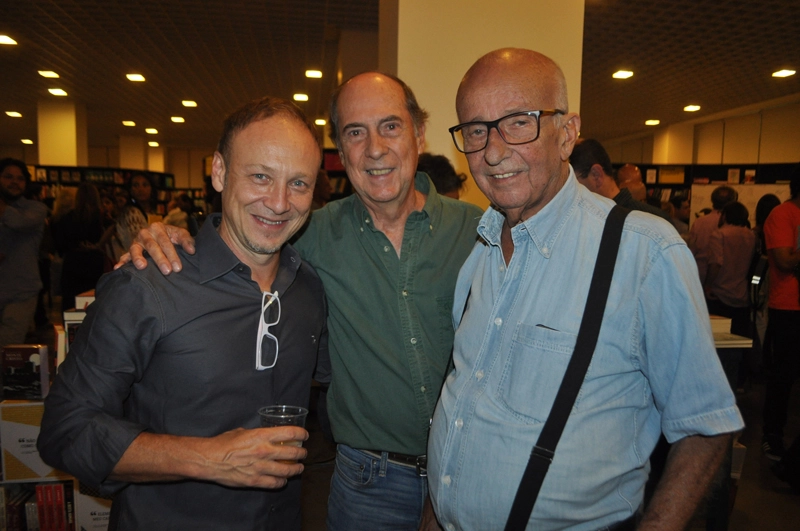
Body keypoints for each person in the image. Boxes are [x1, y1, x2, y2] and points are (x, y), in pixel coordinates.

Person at [122, 72, 483, 530]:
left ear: (418, 132)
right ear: (340, 150)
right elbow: (241, 236)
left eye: (390, 126)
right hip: (367, 482)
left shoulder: (479, 231)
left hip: (470, 471)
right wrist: (170, 236)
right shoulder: (307, 232)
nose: (374, 147)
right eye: (355, 132)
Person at [427, 48, 743, 530]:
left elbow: (704, 426)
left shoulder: (643, 252)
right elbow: (464, 400)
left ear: (567, 134)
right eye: (475, 129)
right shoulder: (480, 253)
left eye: (518, 122)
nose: (492, 151)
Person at [37, 96, 331, 530]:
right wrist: (211, 459)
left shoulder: (308, 289)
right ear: (219, 172)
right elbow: (65, 432)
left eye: (299, 184)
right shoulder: (148, 283)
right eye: (260, 176)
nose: (279, 202)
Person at [760, 166, 800, 461]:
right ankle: (772, 435)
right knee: (782, 376)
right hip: (788, 307)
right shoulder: (783, 215)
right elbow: (785, 260)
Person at [0, 158, 48, 347]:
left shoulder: (35, 209)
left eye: (20, 178)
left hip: (21, 291)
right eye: (8, 177)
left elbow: (18, 223)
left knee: (7, 349)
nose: (14, 182)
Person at [570, 138, 670, 221]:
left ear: (596, 175)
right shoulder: (587, 217)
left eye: (572, 182)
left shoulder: (653, 220)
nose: (569, 190)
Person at [51, 182, 107, 311]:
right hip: (95, 263)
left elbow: (59, 245)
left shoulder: (66, 218)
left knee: (71, 304)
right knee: (93, 301)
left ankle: (72, 329)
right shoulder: (102, 217)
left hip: (73, 263)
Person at [704, 201, 756, 337]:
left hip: (720, 293)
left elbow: (716, 263)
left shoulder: (719, 234)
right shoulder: (751, 236)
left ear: (725, 216)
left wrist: (708, 285)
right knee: (740, 338)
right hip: (742, 293)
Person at [689, 185, 738, 286]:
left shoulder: (699, 222)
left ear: (712, 200)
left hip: (699, 275)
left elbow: (691, 250)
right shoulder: (735, 224)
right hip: (727, 279)